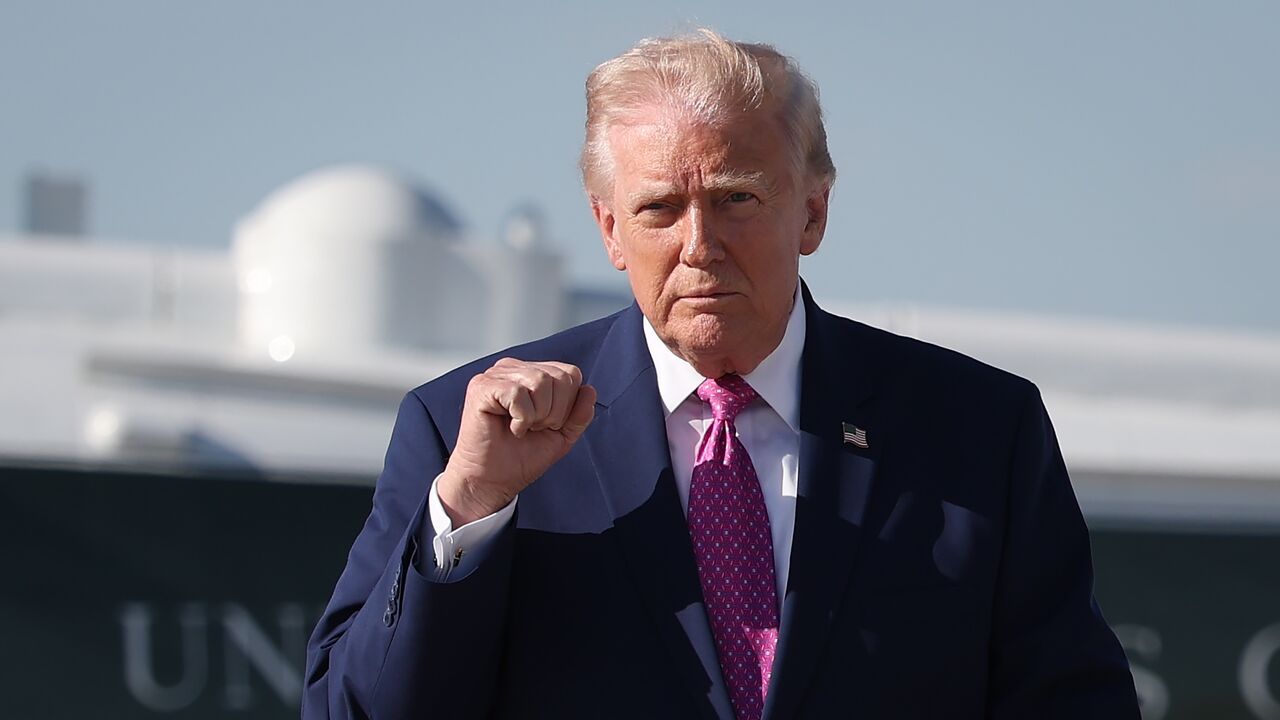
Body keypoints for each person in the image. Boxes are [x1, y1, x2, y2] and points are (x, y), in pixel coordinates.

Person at [303, 30, 1140, 719]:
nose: (698, 245)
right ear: (609, 230)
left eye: (737, 198)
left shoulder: (977, 430)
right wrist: (468, 512)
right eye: (659, 208)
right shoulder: (466, 432)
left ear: (812, 211)